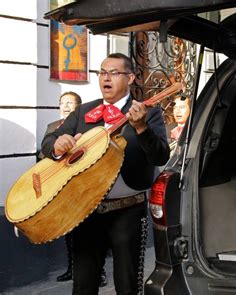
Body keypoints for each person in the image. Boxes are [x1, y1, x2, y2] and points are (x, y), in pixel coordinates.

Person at [41, 53, 170, 294]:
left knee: (127, 285)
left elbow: (161, 156)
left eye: (113, 72)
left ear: (130, 77)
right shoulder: (84, 111)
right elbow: (48, 141)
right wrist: (57, 146)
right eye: (102, 72)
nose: (105, 78)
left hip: (128, 211)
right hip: (86, 210)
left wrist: (141, 128)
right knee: (83, 285)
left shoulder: (148, 112)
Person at [40, 92, 108, 286]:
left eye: (70, 103)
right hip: (59, 184)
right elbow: (44, 152)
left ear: (78, 107)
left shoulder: (84, 124)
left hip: (81, 185)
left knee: (88, 232)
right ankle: (72, 268)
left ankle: (98, 271)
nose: (66, 106)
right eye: (63, 103)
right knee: (70, 231)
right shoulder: (52, 127)